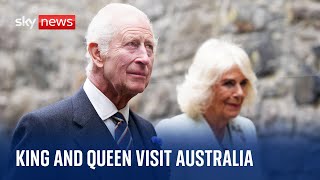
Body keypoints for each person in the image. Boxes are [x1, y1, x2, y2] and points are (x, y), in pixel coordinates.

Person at [8, 3, 168, 180]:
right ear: (97, 53)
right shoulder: (44, 130)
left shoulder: (146, 132)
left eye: (149, 47)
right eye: (132, 44)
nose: (145, 58)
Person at [156, 39, 260, 180]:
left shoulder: (246, 130)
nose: (240, 93)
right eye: (229, 83)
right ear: (205, 87)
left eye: (243, 83)